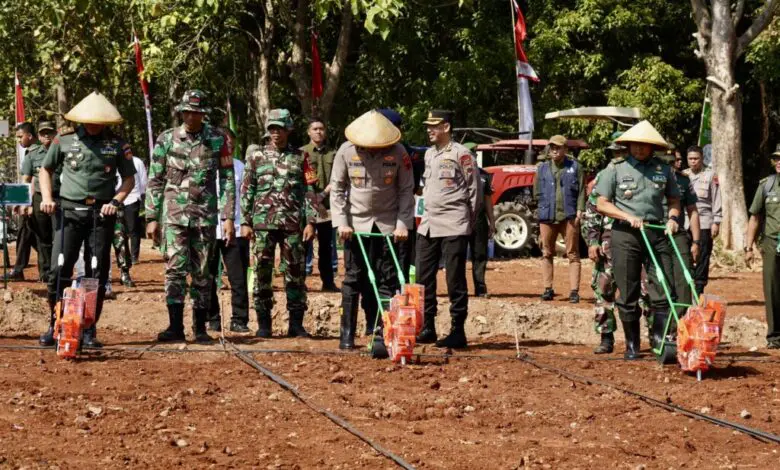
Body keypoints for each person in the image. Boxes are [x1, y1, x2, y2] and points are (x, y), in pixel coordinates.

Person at [38, 92, 137, 348]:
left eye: (99, 120)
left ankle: (89, 328)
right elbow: (45, 170)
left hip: (100, 214)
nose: (94, 124)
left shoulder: (117, 145)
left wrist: (115, 202)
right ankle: (56, 324)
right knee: (59, 269)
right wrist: (47, 198)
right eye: (89, 120)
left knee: (96, 271)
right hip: (69, 213)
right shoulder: (64, 140)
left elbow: (129, 179)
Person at [146, 90, 235, 344]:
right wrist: (151, 217)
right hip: (174, 217)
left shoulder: (218, 139)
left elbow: (227, 179)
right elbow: (155, 180)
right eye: (187, 111)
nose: (192, 116)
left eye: (196, 112)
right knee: (174, 270)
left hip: (205, 218)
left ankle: (200, 328)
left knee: (203, 272)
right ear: (182, 112)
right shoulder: (167, 139)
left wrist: (228, 216)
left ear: (203, 114)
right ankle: (175, 327)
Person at [594, 120, 681, 360]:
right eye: (635, 145)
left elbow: (674, 200)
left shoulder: (664, 170)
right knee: (628, 289)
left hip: (656, 232)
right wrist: (627, 216)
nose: (639, 150)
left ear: (652, 147)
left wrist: (673, 219)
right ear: (628, 146)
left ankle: (659, 340)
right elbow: (602, 203)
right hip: (626, 234)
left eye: (644, 146)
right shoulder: (615, 168)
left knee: (663, 288)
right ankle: (632, 345)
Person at [331, 110, 414, 352]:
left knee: (388, 278)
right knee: (353, 278)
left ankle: (383, 333)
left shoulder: (399, 152)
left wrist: (402, 224)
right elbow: (337, 189)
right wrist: (341, 223)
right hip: (356, 226)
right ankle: (346, 335)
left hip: (388, 225)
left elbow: (406, 190)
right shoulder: (346, 151)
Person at [240, 109, 316, 338]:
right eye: (272, 129)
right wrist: (245, 221)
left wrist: (310, 221)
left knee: (295, 274)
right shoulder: (256, 156)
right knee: (262, 274)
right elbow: (247, 189)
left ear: (288, 130)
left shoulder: (301, 157)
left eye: (279, 129)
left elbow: (309, 190)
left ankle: (296, 323)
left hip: (292, 225)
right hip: (262, 225)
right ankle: (264, 324)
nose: (275, 133)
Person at [415, 110, 479, 349]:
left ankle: (457, 330)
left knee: (454, 279)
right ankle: (428, 326)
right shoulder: (429, 154)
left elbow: (474, 192)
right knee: (423, 277)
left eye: (434, 126)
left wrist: (468, 224)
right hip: (429, 224)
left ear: (447, 127)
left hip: (454, 223)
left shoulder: (461, 154)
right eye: (428, 126)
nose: (429, 130)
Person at [650, 152, 701, 349]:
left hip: (677, 234)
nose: (673, 165)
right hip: (655, 233)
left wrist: (696, 241)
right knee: (663, 283)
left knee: (684, 281)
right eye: (668, 161)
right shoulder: (648, 176)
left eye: (675, 161)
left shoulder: (682, 180)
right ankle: (661, 332)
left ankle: (680, 330)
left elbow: (692, 211)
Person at [582, 135, 626, 354]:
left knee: (645, 291)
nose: (618, 157)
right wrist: (592, 241)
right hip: (608, 240)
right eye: (615, 152)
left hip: (635, 239)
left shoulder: (638, 175)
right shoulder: (603, 177)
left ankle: (648, 339)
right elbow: (592, 212)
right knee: (604, 288)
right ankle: (606, 337)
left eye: (622, 152)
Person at [207, 131, 251, 333]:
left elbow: (245, 197)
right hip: (208, 227)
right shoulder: (206, 165)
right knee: (206, 277)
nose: (227, 147)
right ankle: (212, 319)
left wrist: (244, 223)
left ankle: (239, 319)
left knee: (238, 277)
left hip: (235, 229)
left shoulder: (240, 166)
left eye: (231, 144)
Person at [533, 134, 585, 303]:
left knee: (573, 254)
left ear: (565, 149)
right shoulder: (542, 168)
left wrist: (580, 210)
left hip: (569, 216)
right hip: (547, 216)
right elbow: (536, 192)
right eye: (552, 147)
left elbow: (582, 191)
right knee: (547, 252)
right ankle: (548, 288)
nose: (555, 150)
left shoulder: (576, 167)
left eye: (558, 147)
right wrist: (540, 209)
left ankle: (574, 291)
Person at [745, 144, 780, 349]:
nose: (778, 162)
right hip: (771, 243)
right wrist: (748, 247)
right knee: (772, 289)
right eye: (776, 158)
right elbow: (755, 217)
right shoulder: (766, 185)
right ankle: (775, 337)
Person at [300, 118, 339, 292]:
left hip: (327, 207)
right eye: (314, 129)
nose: (318, 132)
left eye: (321, 128)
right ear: (308, 132)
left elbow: (338, 177)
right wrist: (313, 200)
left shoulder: (334, 153)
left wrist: (323, 195)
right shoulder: (301, 152)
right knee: (303, 244)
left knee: (326, 246)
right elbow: (299, 181)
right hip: (306, 206)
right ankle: (299, 282)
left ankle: (328, 283)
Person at [19, 121, 58, 283]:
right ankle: (46, 273)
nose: (46, 135)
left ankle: (58, 272)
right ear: (39, 136)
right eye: (43, 133)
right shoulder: (32, 154)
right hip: (39, 199)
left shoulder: (64, 152)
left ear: (55, 133)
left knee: (60, 237)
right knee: (43, 238)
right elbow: (26, 180)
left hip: (60, 199)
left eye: (49, 132)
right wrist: (24, 203)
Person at [5, 122, 40, 281]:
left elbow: (30, 180)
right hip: (29, 201)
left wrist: (23, 202)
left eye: (20, 136)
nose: (18, 140)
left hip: (35, 200)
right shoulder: (27, 152)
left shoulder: (37, 152)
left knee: (40, 238)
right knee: (25, 233)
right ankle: (19, 269)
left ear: (30, 136)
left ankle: (47, 271)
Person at [684, 146, 721, 295]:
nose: (693, 162)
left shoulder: (711, 176)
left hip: (704, 222)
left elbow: (717, 199)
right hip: (685, 223)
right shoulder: (682, 175)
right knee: (684, 258)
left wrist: (716, 222)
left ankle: (698, 293)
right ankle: (685, 293)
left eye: (696, 158)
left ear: (701, 159)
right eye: (690, 159)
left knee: (702, 258)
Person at [464, 143, 495, 297]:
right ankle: (459, 289)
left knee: (480, 255)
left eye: (474, 154)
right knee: (457, 255)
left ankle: (480, 288)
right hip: (460, 219)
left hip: (479, 219)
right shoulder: (457, 174)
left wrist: (492, 222)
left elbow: (488, 200)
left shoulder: (484, 176)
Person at [125, 155, 147, 264]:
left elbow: (143, 180)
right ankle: (125, 256)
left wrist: (141, 195)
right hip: (116, 200)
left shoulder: (137, 161)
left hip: (133, 198)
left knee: (133, 229)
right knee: (120, 230)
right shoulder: (114, 159)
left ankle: (134, 256)